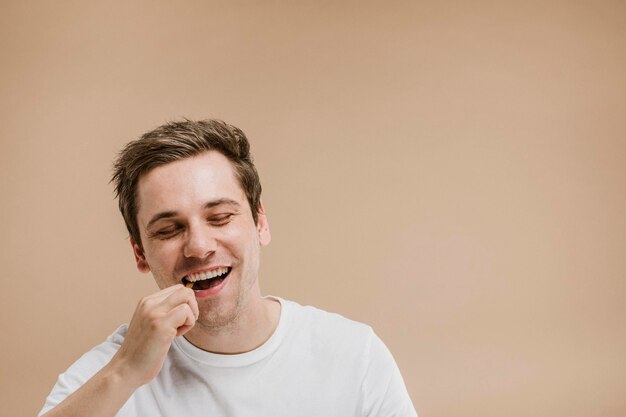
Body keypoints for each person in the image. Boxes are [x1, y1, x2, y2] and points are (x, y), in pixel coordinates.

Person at [38, 119, 417, 417]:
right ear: (140, 253)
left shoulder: (354, 355)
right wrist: (124, 374)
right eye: (169, 230)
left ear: (260, 223)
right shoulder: (109, 373)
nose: (200, 247)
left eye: (219, 217)